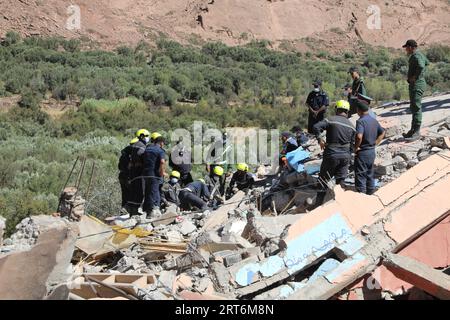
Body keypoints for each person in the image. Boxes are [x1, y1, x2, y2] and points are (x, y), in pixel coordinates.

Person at [313, 100, 355, 189]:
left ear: (336, 109)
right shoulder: (351, 126)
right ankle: (340, 201)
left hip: (331, 155)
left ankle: (319, 201)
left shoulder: (330, 120)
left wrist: (320, 139)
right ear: (347, 111)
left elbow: (316, 127)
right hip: (345, 157)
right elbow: (352, 145)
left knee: (323, 181)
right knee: (341, 183)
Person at [354, 102, 386, 195]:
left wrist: (356, 148)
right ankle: (371, 194)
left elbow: (359, 136)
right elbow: (382, 132)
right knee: (370, 174)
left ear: (358, 110)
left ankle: (362, 198)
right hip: (371, 151)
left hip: (363, 152)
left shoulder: (360, 121)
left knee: (361, 176)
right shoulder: (374, 120)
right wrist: (376, 143)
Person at [402, 39, 429, 141]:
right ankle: (413, 130)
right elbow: (426, 62)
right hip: (416, 84)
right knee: (413, 107)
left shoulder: (416, 55)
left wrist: (415, 77)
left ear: (411, 47)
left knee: (416, 107)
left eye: (407, 48)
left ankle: (417, 132)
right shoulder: (420, 54)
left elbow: (422, 66)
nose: (406, 50)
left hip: (417, 85)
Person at [142, 135, 167, 218]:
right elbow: (162, 162)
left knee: (147, 191)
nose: (163, 145)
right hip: (154, 174)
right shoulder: (160, 151)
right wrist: (162, 172)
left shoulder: (147, 149)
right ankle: (155, 210)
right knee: (155, 191)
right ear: (161, 142)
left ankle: (146, 210)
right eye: (163, 143)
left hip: (146, 173)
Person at [127, 129, 150, 215]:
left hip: (133, 171)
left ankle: (132, 211)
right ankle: (134, 211)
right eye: (147, 136)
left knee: (134, 191)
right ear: (141, 136)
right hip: (139, 172)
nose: (148, 138)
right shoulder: (142, 146)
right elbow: (142, 156)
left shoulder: (135, 145)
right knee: (139, 191)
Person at [118, 137, 138, 212]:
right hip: (128, 176)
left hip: (122, 176)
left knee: (125, 194)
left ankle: (123, 210)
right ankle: (128, 210)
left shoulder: (124, 154)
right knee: (132, 194)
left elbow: (119, 166)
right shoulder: (131, 154)